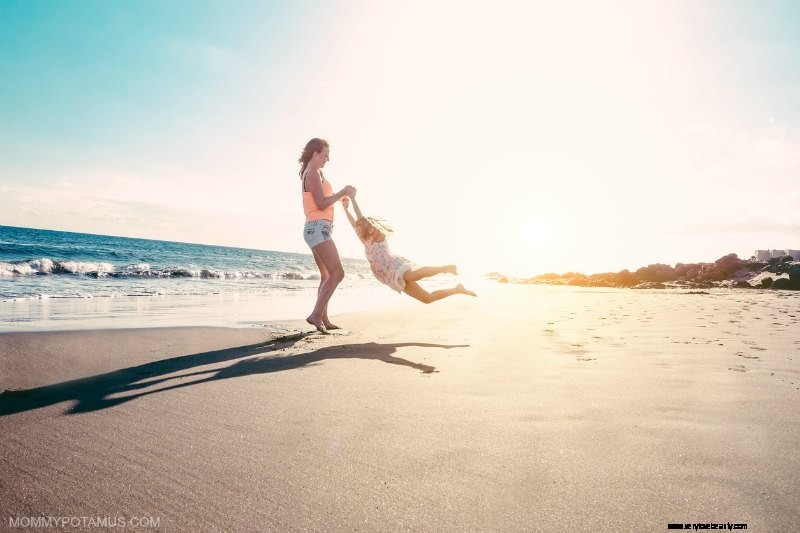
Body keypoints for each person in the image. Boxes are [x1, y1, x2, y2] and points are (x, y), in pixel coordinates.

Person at [342, 196, 477, 303]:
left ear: (366, 227)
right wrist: (346, 209)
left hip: (394, 267)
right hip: (390, 277)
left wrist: (353, 199)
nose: (357, 231)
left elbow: (360, 218)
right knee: (427, 298)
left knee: (413, 275)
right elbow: (353, 222)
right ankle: (457, 290)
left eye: (359, 228)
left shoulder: (377, 235)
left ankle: (445, 268)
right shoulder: (365, 242)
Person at [298, 138, 356, 333]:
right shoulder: (312, 172)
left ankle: (323, 319)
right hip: (317, 229)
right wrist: (342, 192)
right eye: (325, 155)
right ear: (315, 153)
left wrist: (341, 199)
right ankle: (315, 315)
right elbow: (321, 203)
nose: (327, 159)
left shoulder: (316, 172)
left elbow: (323, 201)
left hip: (317, 229)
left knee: (326, 276)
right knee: (338, 273)